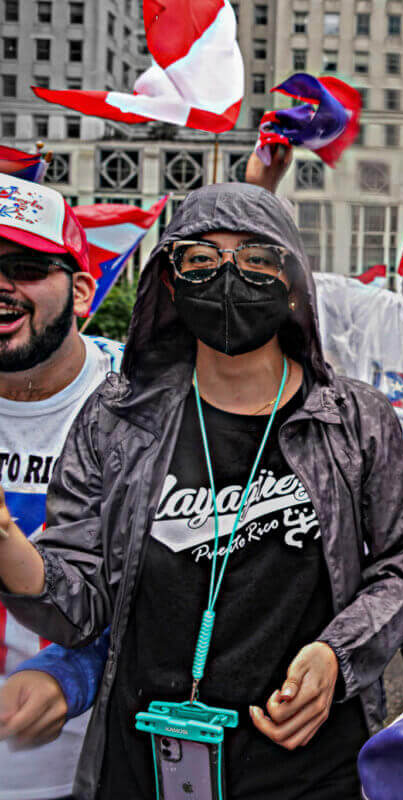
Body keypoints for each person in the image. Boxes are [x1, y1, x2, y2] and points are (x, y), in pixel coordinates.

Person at [0, 182, 403, 799]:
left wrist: (339, 655)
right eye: (200, 260)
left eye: (256, 258)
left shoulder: (355, 420)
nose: (228, 276)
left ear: (292, 280)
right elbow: (81, 604)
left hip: (309, 772)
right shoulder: (117, 418)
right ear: (171, 283)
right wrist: (11, 548)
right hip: (144, 767)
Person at [246, 145, 403, 698]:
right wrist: (263, 187)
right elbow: (280, 270)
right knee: (347, 688)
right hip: (363, 554)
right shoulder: (366, 312)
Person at [0, 176, 120, 800]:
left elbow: (173, 585)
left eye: (23, 267)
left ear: (80, 289)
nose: (1, 285)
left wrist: (73, 672)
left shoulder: (144, 400)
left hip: (89, 768)